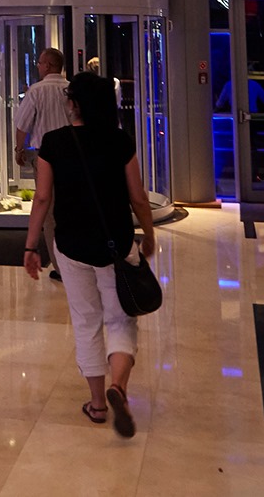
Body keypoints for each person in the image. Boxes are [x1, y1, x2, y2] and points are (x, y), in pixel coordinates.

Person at [23, 72, 157, 437]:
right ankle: (119, 387)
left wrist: (31, 246)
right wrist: (149, 234)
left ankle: (97, 404)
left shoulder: (53, 142)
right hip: (115, 244)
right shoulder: (119, 140)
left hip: (72, 245)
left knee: (86, 321)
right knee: (120, 319)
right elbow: (138, 196)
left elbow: (42, 199)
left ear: (75, 104)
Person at [13, 47, 71, 279]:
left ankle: (60, 267)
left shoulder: (36, 91)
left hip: (45, 158)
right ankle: (76, 260)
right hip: (73, 157)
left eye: (39, 63)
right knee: (72, 208)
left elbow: (22, 125)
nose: (37, 66)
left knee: (49, 213)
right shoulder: (71, 90)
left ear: (48, 65)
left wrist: (19, 150)